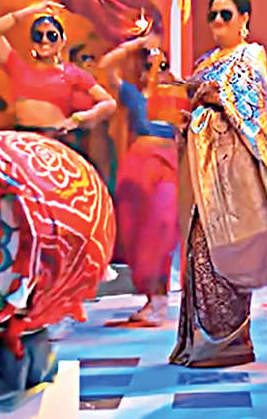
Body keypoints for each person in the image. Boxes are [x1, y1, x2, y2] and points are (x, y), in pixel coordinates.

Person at [170, 0, 267, 368]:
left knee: (228, 246)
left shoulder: (251, 55)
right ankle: (203, 340)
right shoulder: (206, 60)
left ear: (244, 19)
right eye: (212, 15)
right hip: (200, 169)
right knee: (199, 248)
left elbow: (257, 105)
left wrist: (217, 96)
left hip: (232, 170)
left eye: (225, 14)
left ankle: (230, 341)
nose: (217, 22)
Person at [98, 34, 180, 326]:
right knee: (138, 234)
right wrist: (135, 45)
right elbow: (106, 67)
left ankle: (160, 299)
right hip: (138, 171)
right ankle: (151, 298)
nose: (155, 69)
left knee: (162, 229)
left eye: (161, 64)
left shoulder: (176, 94)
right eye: (148, 64)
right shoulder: (133, 94)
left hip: (166, 167)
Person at [0, 0, 116, 153]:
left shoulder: (72, 73)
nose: (44, 40)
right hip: (21, 142)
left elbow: (109, 103)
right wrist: (32, 10)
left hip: (54, 141)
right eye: (38, 35)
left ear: (62, 40)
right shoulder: (17, 66)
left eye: (51, 35)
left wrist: (81, 117)